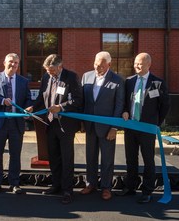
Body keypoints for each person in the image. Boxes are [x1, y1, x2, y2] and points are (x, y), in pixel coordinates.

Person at [27, 54, 83, 204]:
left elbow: (78, 100)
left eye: (52, 70)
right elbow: (42, 97)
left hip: (65, 125)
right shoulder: (46, 77)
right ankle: (56, 185)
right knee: (53, 157)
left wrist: (61, 107)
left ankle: (67, 190)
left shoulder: (71, 77)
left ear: (60, 66)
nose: (49, 73)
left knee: (66, 158)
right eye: (47, 70)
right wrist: (33, 107)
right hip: (50, 124)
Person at [116, 53, 170, 203]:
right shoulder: (129, 81)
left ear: (148, 65)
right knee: (131, 159)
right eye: (135, 63)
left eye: (140, 64)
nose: (137, 66)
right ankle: (130, 187)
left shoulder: (157, 83)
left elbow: (165, 105)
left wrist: (156, 123)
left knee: (148, 160)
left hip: (147, 128)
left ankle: (147, 191)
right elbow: (125, 101)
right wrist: (125, 111)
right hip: (131, 127)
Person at [0, 53, 33, 195]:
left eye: (16, 63)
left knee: (15, 154)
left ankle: (14, 183)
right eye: (11, 62)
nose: (13, 65)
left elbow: (28, 99)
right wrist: (1, 101)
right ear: (4, 62)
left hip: (16, 124)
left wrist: (29, 107)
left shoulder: (23, 81)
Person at [81, 51, 124, 201]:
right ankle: (90, 183)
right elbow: (83, 101)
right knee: (90, 157)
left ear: (109, 65)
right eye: (95, 64)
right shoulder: (86, 76)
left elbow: (119, 106)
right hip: (90, 126)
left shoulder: (118, 80)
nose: (97, 67)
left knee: (107, 159)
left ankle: (106, 187)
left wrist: (114, 127)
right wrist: (81, 122)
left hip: (107, 128)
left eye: (100, 65)